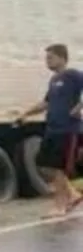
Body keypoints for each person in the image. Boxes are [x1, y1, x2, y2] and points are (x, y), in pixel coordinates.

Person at [16, 43, 83, 219]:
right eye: (46, 58)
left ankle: (60, 205)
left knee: (57, 167)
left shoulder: (73, 75)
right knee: (44, 166)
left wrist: (79, 106)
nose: (47, 61)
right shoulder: (54, 80)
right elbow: (46, 103)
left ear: (62, 58)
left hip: (68, 129)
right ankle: (72, 194)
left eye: (51, 58)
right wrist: (26, 114)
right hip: (52, 129)